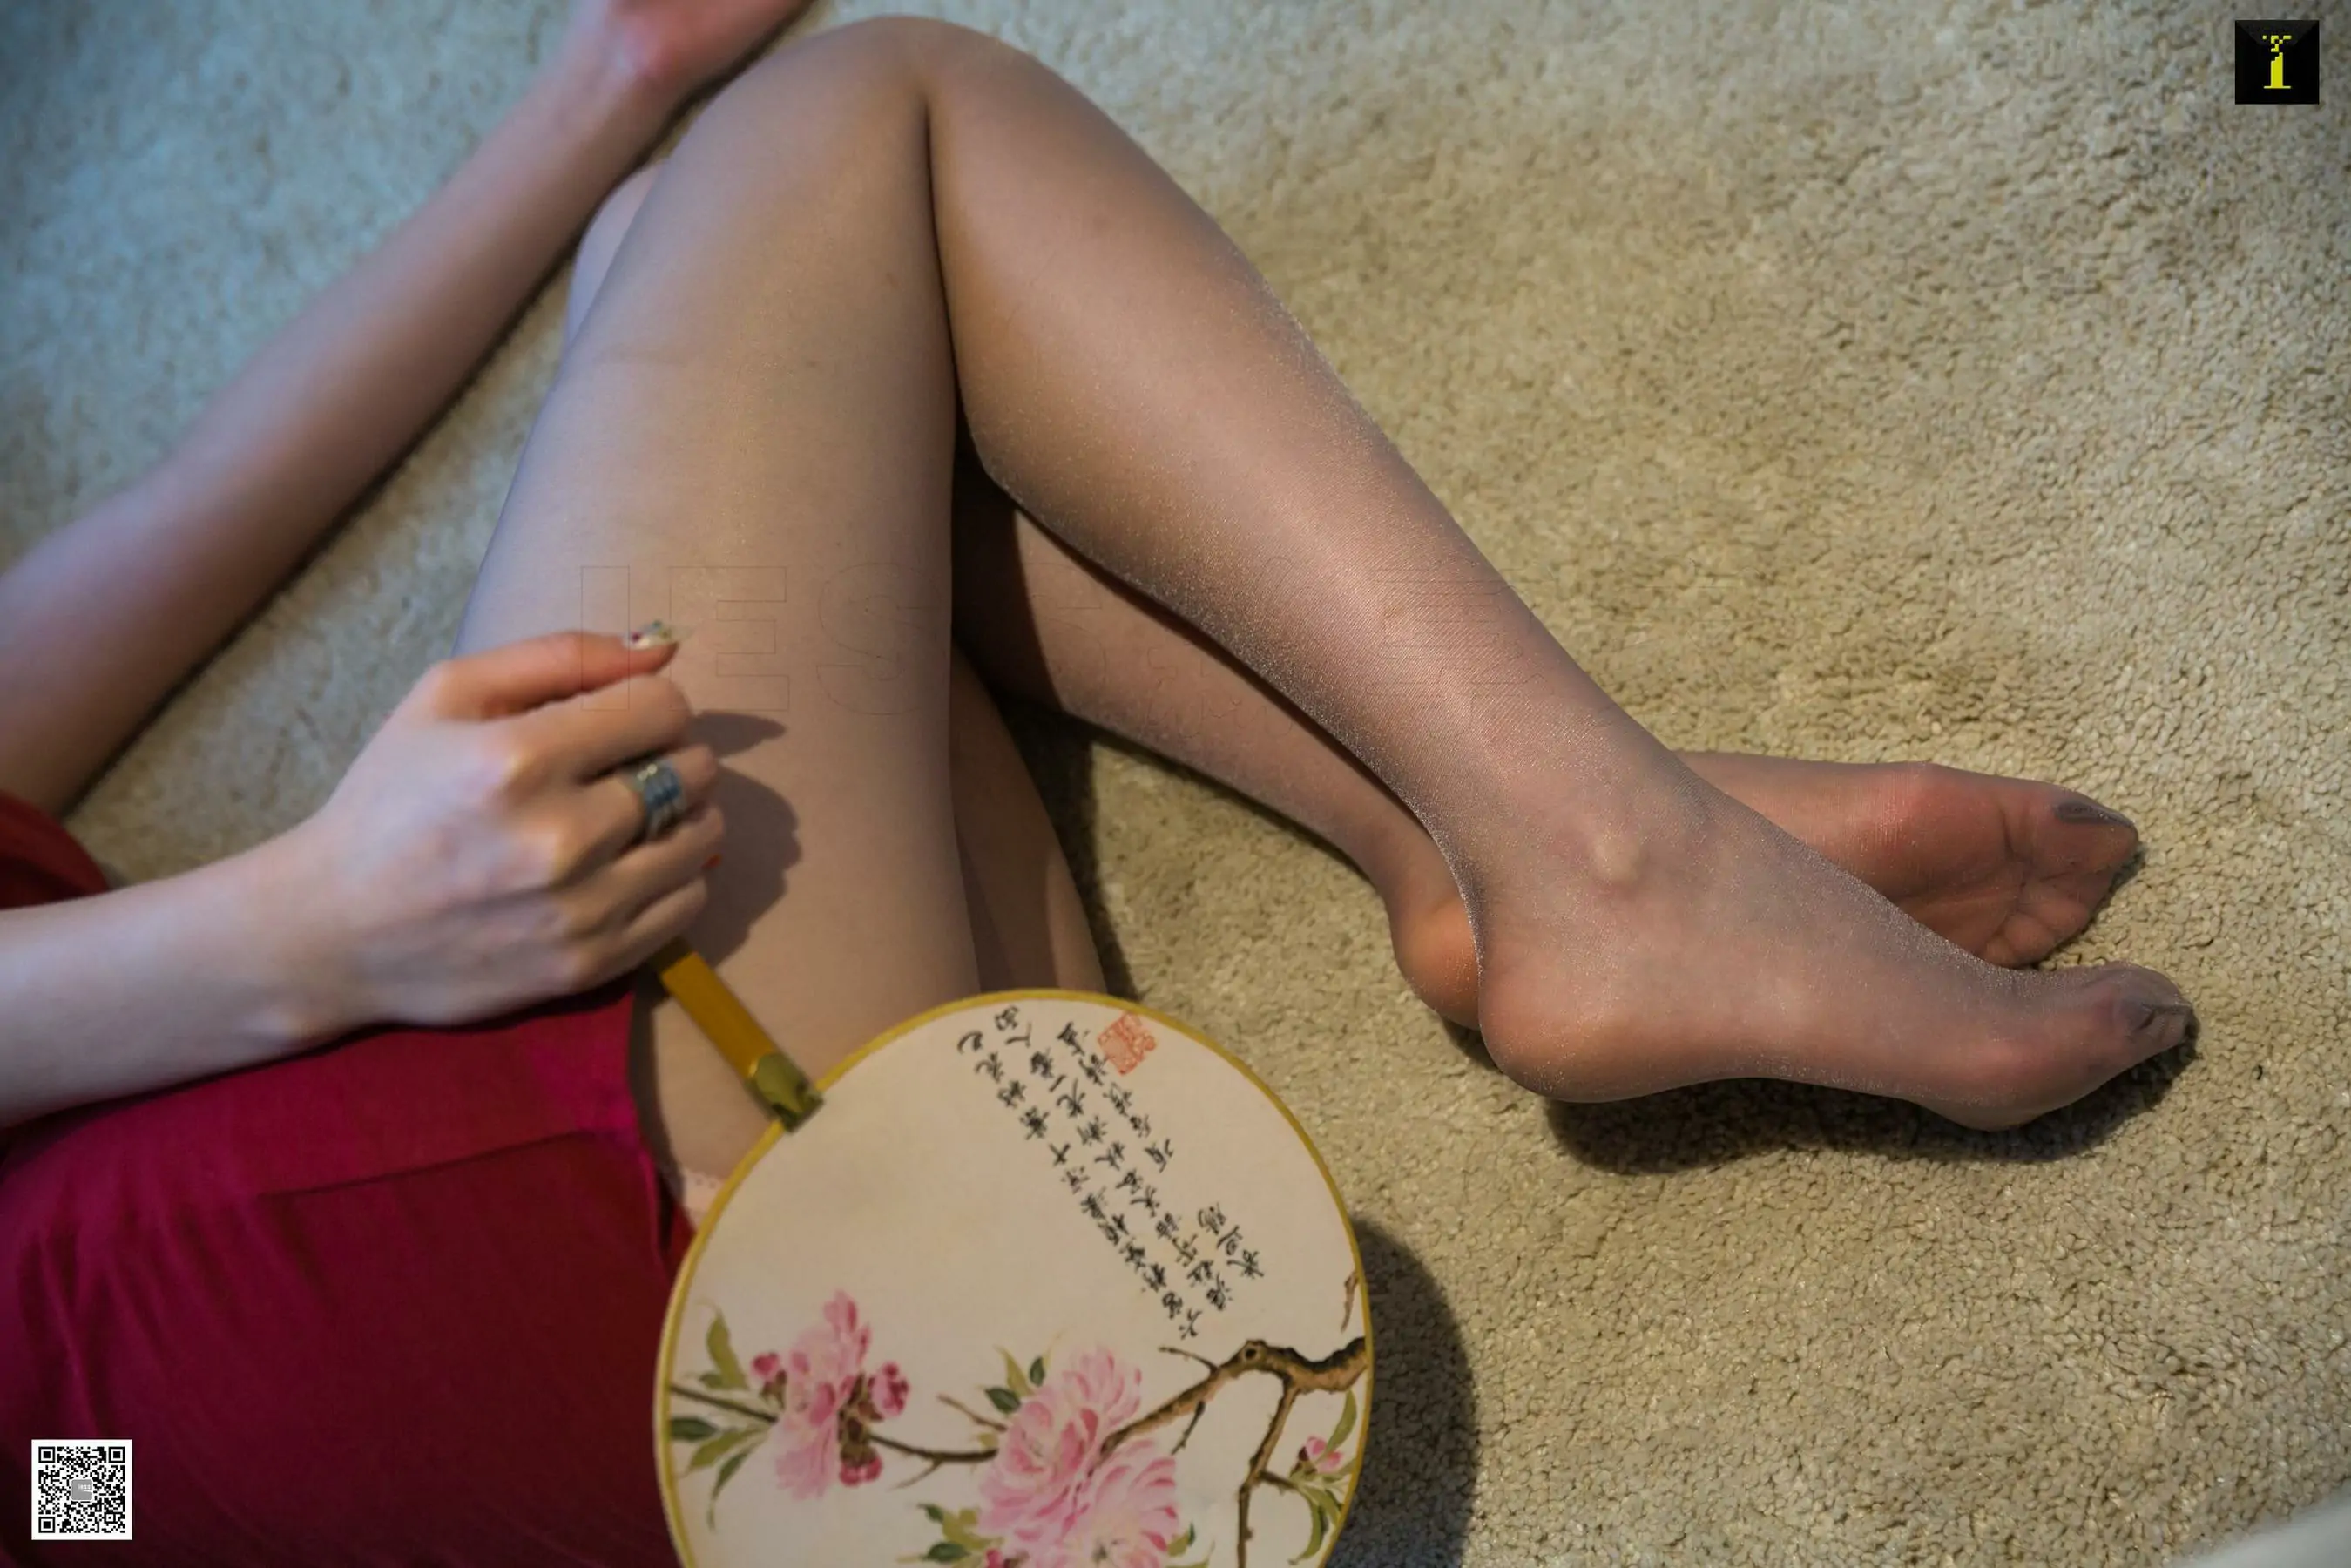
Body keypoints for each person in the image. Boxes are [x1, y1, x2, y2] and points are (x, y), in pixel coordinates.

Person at [0, 5, 2192, 1559]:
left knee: (690, 251)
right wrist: (307, 928)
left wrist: (608, 82)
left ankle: (1447, 841)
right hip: (636, 1284)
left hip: (749, 1383)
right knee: (869, 131)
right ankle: (1595, 857)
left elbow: (177, 518)